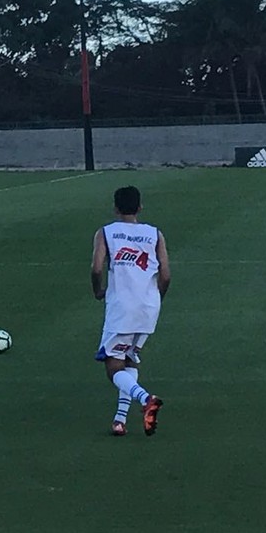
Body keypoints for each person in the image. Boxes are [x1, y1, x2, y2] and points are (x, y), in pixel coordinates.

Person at [91, 185, 171, 437]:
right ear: (140, 207)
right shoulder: (155, 234)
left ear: (115, 208)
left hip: (122, 310)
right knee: (129, 359)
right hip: (149, 308)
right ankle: (120, 420)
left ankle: (146, 399)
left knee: (113, 366)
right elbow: (166, 275)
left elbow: (96, 268)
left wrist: (98, 290)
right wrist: (156, 299)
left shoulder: (106, 232)